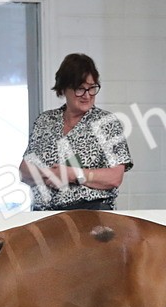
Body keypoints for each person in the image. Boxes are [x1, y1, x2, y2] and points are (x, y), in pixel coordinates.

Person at [20, 53, 132, 211]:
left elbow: (115, 177)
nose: (87, 95)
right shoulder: (45, 121)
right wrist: (50, 174)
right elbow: (24, 171)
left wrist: (73, 174)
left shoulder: (107, 123)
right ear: (64, 89)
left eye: (92, 88)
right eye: (80, 89)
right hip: (43, 216)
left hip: (90, 215)